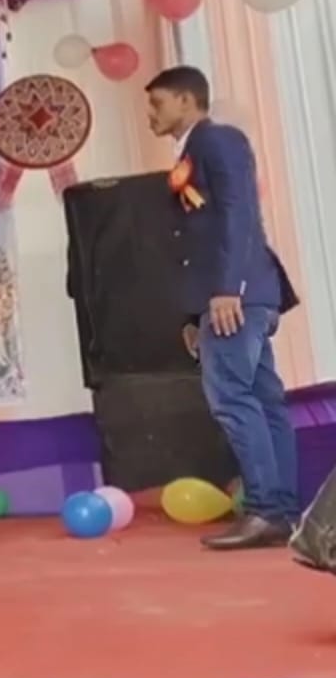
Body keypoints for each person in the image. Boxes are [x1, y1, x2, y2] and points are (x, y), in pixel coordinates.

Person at [145, 66, 300, 550]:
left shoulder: (218, 140)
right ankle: (280, 511)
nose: (151, 114)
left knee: (231, 397)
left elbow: (240, 213)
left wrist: (228, 289)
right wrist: (194, 313)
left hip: (236, 295)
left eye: (157, 103)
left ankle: (266, 510)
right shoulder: (194, 150)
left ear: (186, 101)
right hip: (231, 296)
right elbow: (199, 236)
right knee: (263, 400)